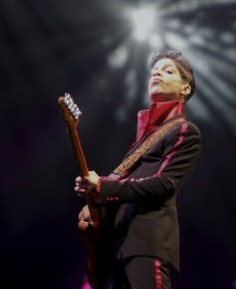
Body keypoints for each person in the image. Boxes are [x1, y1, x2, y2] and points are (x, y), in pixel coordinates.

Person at [74, 48, 202, 289]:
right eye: (154, 71)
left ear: (185, 88)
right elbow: (122, 189)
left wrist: (102, 185)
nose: (157, 74)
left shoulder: (184, 130)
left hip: (146, 242)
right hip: (114, 247)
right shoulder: (141, 142)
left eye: (167, 71)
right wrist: (96, 198)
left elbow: (164, 184)